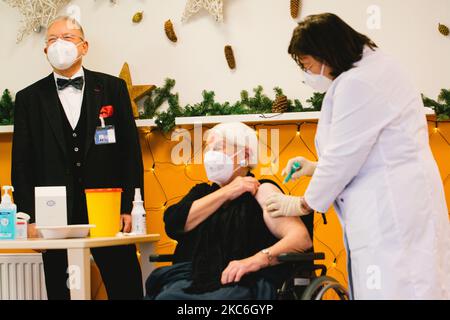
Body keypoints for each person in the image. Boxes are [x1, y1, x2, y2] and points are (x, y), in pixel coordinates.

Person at [266, 13, 450, 300]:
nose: (307, 73)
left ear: (326, 53)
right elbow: (369, 148)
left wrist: (301, 203)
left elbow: (343, 156)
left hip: (390, 209)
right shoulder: (378, 68)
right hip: (400, 197)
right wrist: (316, 167)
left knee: (398, 286)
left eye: (307, 64)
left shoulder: (359, 83)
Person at [11, 16, 144, 300]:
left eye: (67, 38)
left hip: (109, 212)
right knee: (63, 294)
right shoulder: (28, 99)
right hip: (52, 217)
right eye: (51, 39)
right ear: (45, 51)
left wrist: (130, 206)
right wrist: (28, 219)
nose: (59, 44)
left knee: (127, 289)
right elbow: (22, 164)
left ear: (84, 46)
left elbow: (130, 154)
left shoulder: (113, 88)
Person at [146, 123, 313, 300]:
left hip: (242, 280)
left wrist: (255, 261)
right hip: (193, 277)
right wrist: (227, 191)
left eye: (218, 148)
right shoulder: (202, 192)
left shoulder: (261, 191)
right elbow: (174, 224)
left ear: (246, 155)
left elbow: (300, 238)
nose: (210, 155)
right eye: (209, 149)